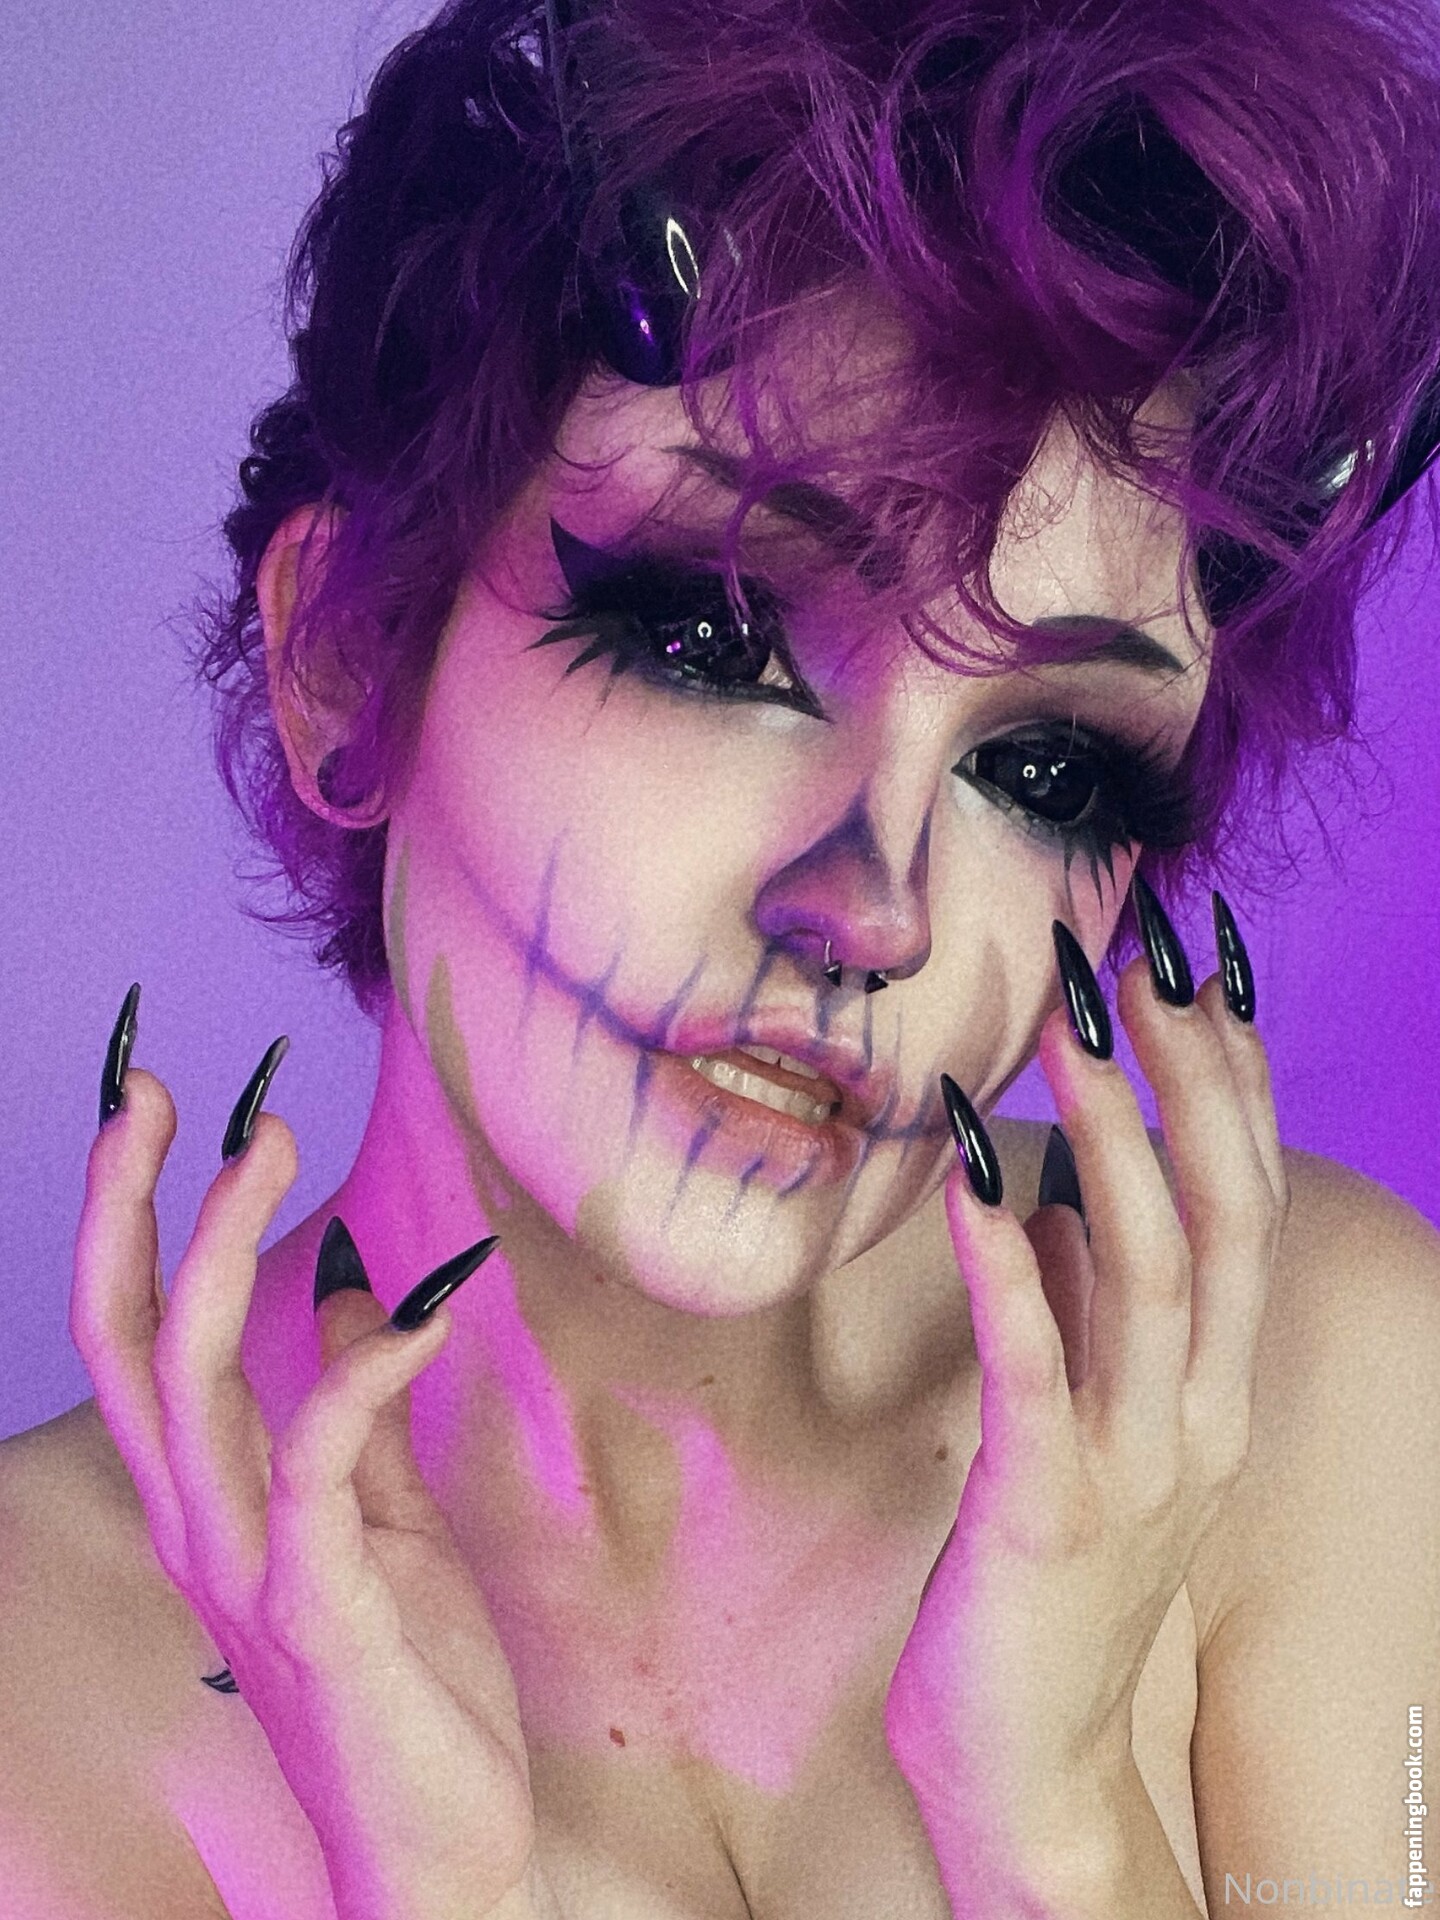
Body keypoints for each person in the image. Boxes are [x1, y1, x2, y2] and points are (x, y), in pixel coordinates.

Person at [2, 0, 1438, 1914]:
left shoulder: (1334, 1391)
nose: (878, 905)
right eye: (717, 638)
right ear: (345, 656)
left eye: (1045, 767)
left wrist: (1057, 1822)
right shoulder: (28, 1691)